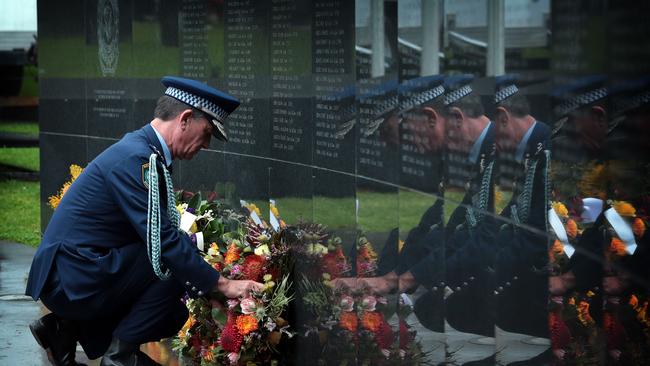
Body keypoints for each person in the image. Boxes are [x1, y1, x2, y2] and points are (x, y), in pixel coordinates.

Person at [25, 76, 265, 366]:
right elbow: (162, 241)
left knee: (172, 308)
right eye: (206, 133)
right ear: (185, 119)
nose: (206, 144)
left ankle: (66, 329)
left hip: (80, 271)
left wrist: (205, 288)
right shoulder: (135, 160)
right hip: (70, 277)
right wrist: (221, 284)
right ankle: (118, 357)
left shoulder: (144, 153)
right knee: (167, 264)